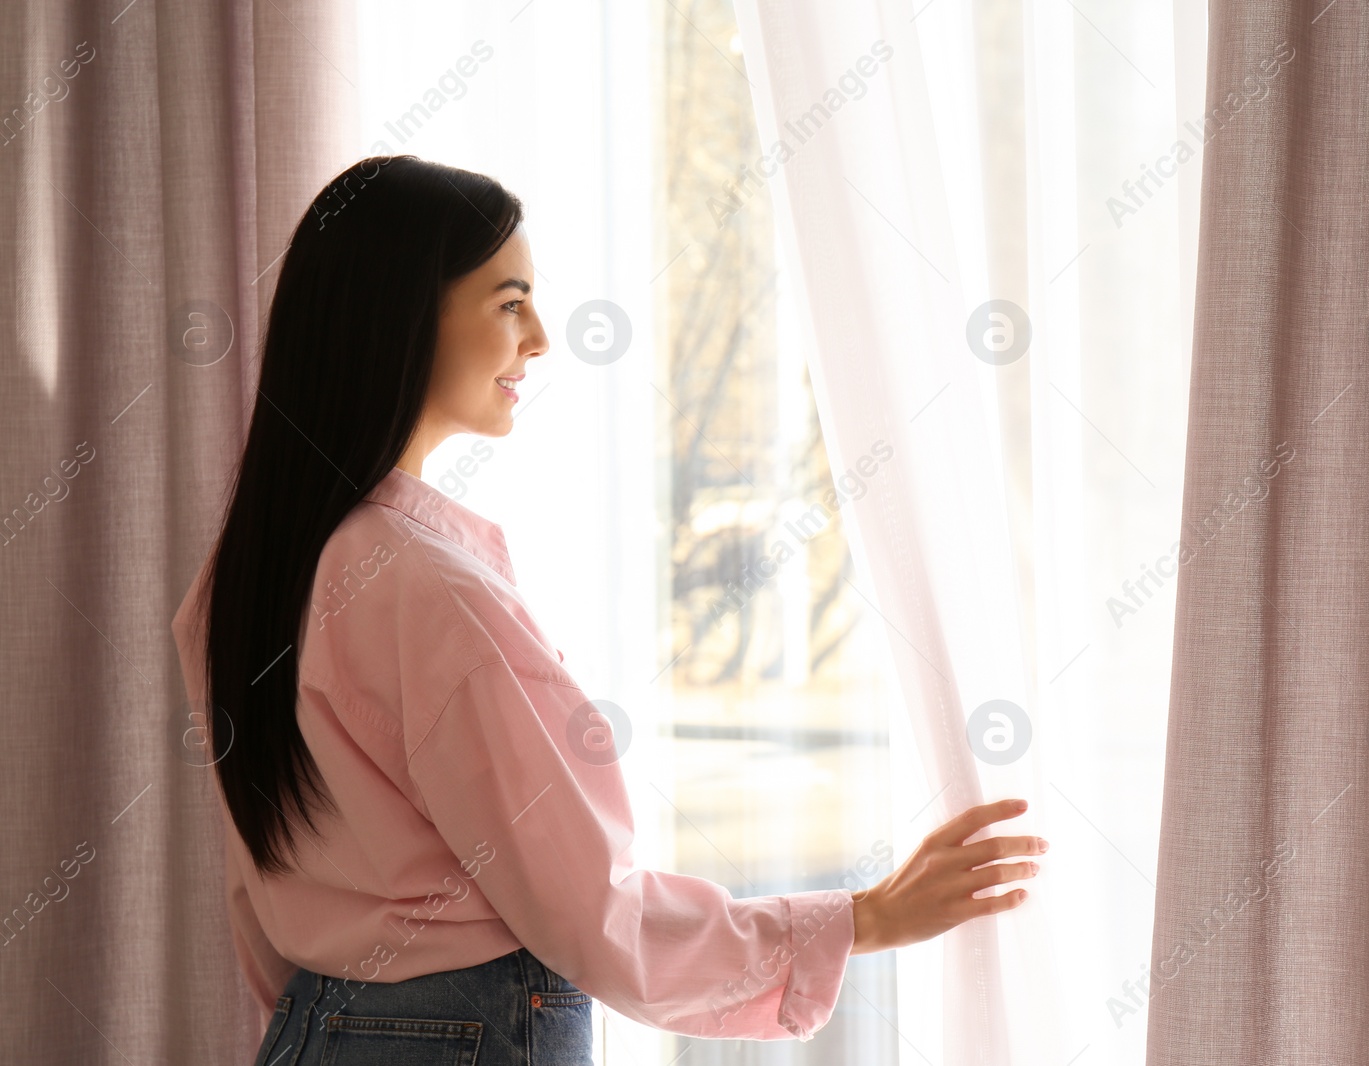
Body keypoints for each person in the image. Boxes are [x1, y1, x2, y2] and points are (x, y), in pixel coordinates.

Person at [169, 155, 1046, 1065]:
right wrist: (866, 918)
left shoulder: (240, 584)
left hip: (307, 1032)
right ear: (398, 318)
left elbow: (262, 896)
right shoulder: (430, 592)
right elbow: (591, 911)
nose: (541, 337)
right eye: (510, 303)